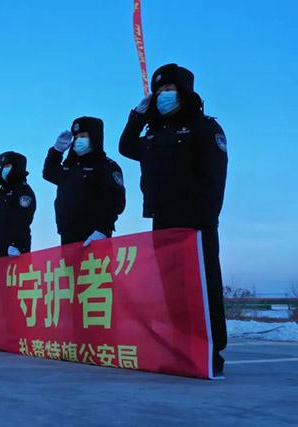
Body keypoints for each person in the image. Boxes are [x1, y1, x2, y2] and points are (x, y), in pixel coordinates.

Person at [119, 63, 228, 375]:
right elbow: (126, 147)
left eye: (168, 89)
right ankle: (178, 350)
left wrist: (206, 219)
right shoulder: (155, 132)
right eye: (158, 91)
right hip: (163, 219)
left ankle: (211, 354)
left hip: (195, 222)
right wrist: (137, 117)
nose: (162, 95)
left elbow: (215, 177)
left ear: (183, 91)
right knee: (170, 290)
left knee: (202, 288)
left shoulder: (204, 127)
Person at [43, 116, 126, 246]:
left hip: (95, 236)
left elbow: (116, 201)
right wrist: (56, 151)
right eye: (76, 137)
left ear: (94, 137)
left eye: (83, 136)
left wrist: (103, 230)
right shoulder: (70, 167)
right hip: (68, 236)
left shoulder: (107, 166)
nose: (78, 140)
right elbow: (49, 173)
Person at [0, 151, 36, 258]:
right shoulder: (3, 191)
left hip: (15, 249)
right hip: (0, 246)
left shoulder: (23, 190)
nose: (4, 169)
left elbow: (23, 219)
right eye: (3, 167)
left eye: (8, 166)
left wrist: (16, 243)